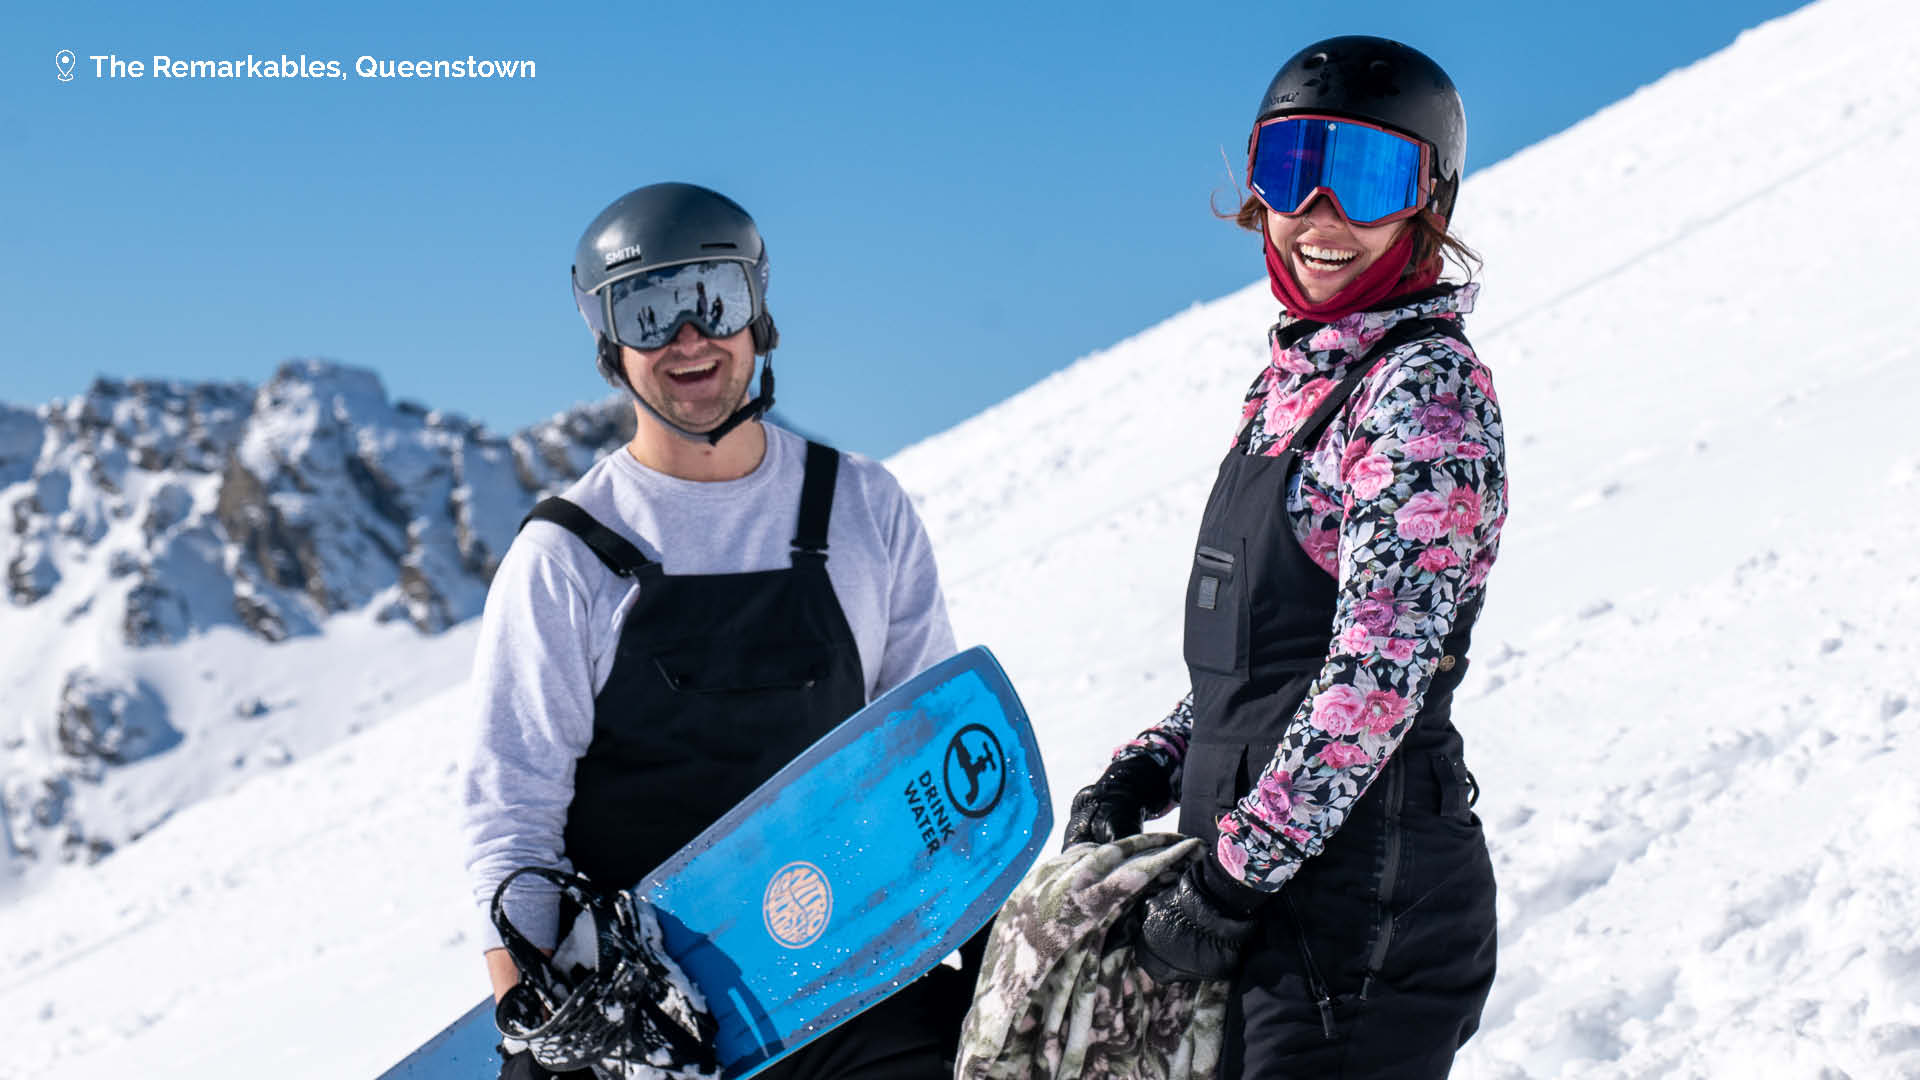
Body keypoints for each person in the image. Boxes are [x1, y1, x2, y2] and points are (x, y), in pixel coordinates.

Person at [1061, 36, 1506, 1078]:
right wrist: (1157, 760)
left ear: (1428, 198)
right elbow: (1271, 662)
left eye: (1362, 176)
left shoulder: (1423, 395)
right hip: (1274, 895)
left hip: (1366, 915)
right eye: (1289, 167)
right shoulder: (1291, 388)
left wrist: (1231, 881)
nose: (1319, 214)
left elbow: (1375, 676)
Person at [463, 181, 964, 1079]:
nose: (688, 339)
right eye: (649, 310)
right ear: (610, 342)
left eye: (713, 300)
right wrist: (536, 1030)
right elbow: (513, 822)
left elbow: (922, 749)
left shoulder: (861, 507)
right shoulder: (566, 556)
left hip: (854, 987)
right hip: (651, 1018)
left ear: (757, 312)